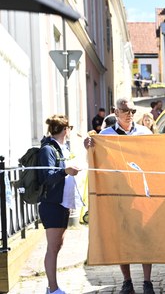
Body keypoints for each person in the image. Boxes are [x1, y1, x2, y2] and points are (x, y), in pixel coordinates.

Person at [84, 98, 154, 294]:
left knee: (145, 237)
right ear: (116, 111)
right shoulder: (104, 135)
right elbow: (96, 162)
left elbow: (154, 159)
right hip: (117, 195)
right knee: (122, 238)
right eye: (125, 109)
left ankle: (147, 282)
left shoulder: (145, 133)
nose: (129, 113)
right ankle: (127, 281)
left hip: (141, 195)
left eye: (132, 109)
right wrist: (89, 146)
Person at [37, 115, 81, 294]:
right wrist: (64, 171)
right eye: (69, 128)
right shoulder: (48, 149)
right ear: (66, 130)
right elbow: (46, 178)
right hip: (52, 205)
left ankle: (53, 287)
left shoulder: (63, 148)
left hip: (62, 203)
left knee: (57, 246)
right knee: (53, 247)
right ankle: (52, 288)